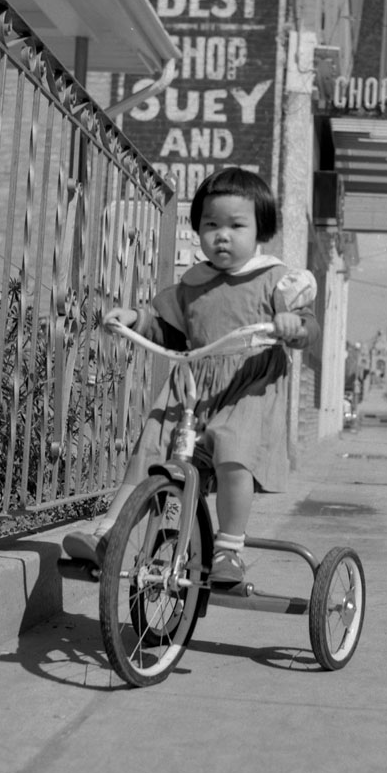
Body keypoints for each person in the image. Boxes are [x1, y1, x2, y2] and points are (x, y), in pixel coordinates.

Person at [62, 167, 319, 584]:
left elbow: (309, 326)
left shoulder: (277, 280)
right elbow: (173, 329)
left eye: (237, 226)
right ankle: (109, 534)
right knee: (150, 446)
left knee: (235, 450)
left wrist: (295, 325)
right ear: (197, 228)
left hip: (247, 384)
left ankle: (230, 549)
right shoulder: (193, 283)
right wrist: (136, 318)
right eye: (210, 225)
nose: (222, 235)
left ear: (260, 231)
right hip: (194, 384)